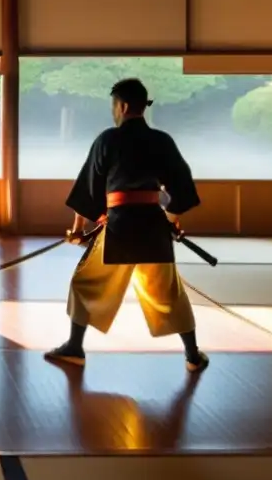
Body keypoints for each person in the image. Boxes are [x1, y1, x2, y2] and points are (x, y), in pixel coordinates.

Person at [45, 78, 208, 373]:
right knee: (169, 292)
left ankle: (74, 347)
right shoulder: (162, 141)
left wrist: (78, 229)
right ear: (142, 106)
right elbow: (182, 190)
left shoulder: (108, 140)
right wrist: (169, 221)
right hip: (153, 228)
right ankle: (193, 355)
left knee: (85, 284)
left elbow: (88, 188)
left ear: (121, 106)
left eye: (113, 106)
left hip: (118, 228)